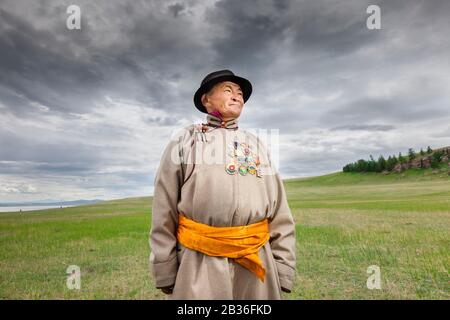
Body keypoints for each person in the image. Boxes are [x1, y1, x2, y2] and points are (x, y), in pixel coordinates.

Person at [149, 69, 296, 299]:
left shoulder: (257, 144)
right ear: (206, 100)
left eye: (240, 93)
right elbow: (163, 208)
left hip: (256, 262)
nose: (237, 96)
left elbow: (280, 212)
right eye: (228, 90)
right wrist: (165, 268)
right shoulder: (185, 141)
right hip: (198, 261)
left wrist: (283, 266)